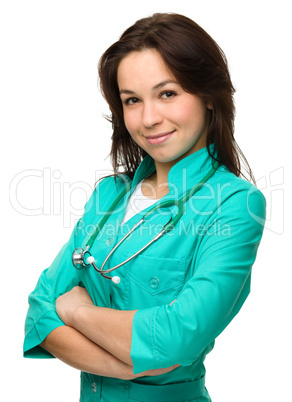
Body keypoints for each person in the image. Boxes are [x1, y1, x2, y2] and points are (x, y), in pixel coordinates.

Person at [23, 13, 266, 402]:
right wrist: (128, 364)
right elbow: (39, 312)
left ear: (206, 94)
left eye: (167, 93)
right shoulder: (109, 196)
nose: (149, 118)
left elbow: (176, 338)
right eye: (132, 100)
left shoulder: (234, 205)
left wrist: (78, 312)